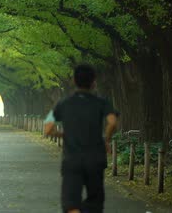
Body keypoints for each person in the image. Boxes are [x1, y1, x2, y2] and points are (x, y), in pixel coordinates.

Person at [44, 64, 118, 213]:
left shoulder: (63, 103)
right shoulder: (102, 102)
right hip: (95, 159)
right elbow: (112, 122)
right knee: (95, 202)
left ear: (73, 81)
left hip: (72, 160)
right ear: (94, 82)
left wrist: (63, 134)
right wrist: (106, 140)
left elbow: (48, 127)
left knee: (71, 203)